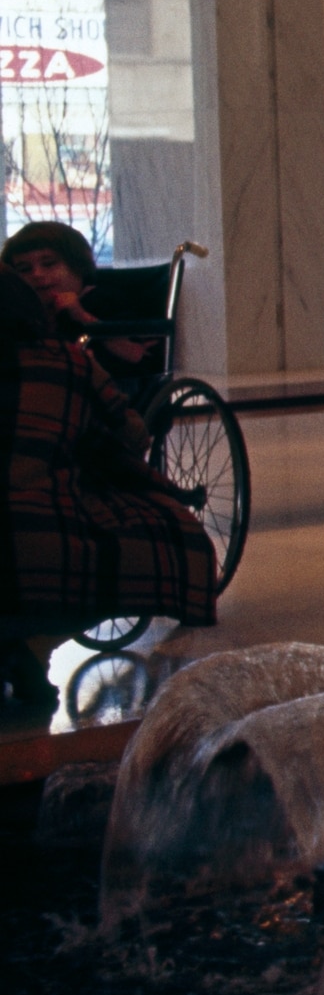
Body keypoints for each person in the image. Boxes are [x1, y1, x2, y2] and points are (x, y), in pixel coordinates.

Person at [0, 269, 216, 716]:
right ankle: (35, 647)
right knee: (149, 534)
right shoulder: (67, 362)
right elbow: (131, 434)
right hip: (42, 542)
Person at [4, 221, 157, 376]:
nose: (36, 274)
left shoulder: (102, 300)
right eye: (24, 269)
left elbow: (136, 355)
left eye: (49, 264)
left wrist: (82, 316)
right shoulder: (22, 311)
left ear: (78, 266)